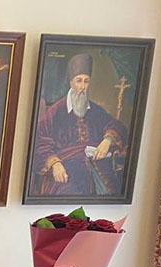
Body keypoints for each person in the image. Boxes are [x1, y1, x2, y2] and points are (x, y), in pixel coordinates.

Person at [31, 53, 128, 196]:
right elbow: (39, 142)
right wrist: (55, 163)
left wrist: (108, 140)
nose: (82, 86)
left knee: (112, 192)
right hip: (65, 170)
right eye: (79, 81)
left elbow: (116, 125)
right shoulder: (54, 112)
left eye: (86, 81)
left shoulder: (95, 110)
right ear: (71, 83)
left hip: (97, 168)